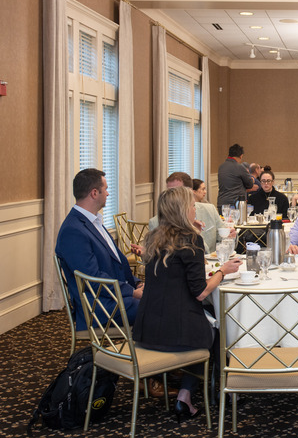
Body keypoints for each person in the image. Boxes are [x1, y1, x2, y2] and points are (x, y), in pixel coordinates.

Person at [133, 186, 241, 420]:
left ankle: (195, 391)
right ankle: (196, 394)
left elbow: (180, 270)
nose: (195, 209)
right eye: (192, 206)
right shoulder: (190, 239)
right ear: (183, 210)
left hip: (145, 329)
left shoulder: (154, 237)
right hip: (175, 334)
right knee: (216, 332)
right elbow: (201, 293)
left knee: (206, 321)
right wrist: (222, 271)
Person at [55, 168, 143, 329]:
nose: (108, 194)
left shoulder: (92, 222)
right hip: (101, 308)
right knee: (162, 307)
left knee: (164, 300)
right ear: (94, 193)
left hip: (114, 298)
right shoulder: (73, 231)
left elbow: (116, 265)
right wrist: (131, 292)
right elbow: (92, 279)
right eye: (106, 189)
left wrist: (136, 284)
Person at [148, 172, 229, 254]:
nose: (171, 196)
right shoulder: (156, 222)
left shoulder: (209, 210)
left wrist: (230, 236)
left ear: (190, 191)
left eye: (177, 191)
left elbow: (224, 238)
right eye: (170, 191)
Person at [217, 144, 255, 208]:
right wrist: (252, 180)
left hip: (222, 203)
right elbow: (250, 184)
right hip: (235, 204)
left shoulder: (221, 167)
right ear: (241, 156)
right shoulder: (240, 167)